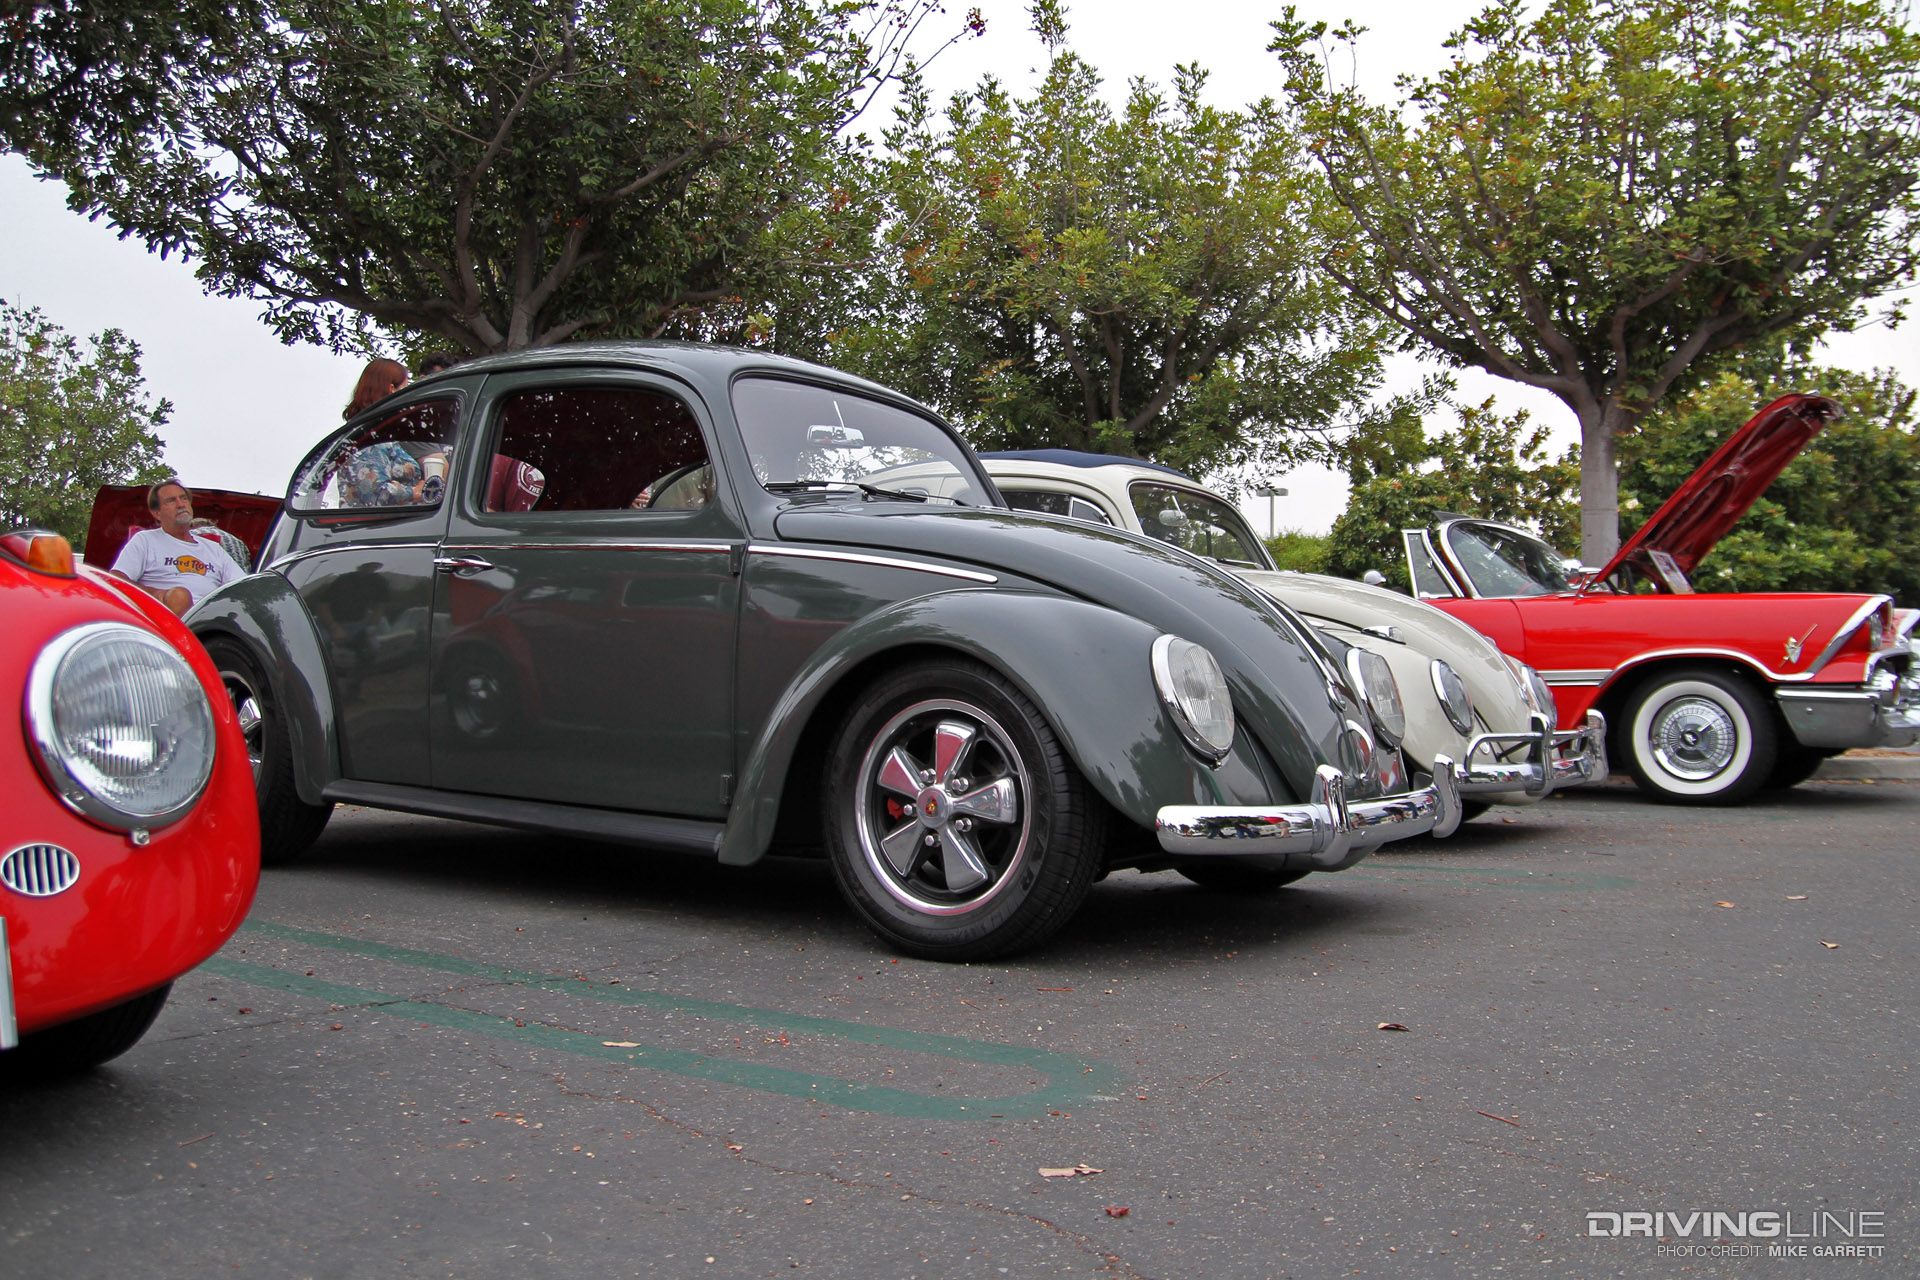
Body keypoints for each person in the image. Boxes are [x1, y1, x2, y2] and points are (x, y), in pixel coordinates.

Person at [110, 479, 245, 616]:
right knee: (179, 597)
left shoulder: (214, 549)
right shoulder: (145, 540)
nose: (181, 504)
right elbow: (116, 581)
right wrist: (162, 596)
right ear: (157, 513)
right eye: (171, 501)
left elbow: (244, 587)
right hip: (165, 618)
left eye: (184, 498)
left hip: (210, 619)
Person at [343, 357, 408, 420]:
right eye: (405, 388)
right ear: (392, 389)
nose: (407, 394)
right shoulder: (394, 422)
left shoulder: (355, 423)